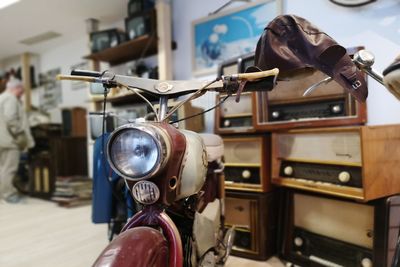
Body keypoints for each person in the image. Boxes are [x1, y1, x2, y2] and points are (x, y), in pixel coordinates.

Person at [0, 76, 34, 203]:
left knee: (2, 169)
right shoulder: (11, 99)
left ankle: (3, 194)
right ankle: (9, 195)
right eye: (22, 90)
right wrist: (20, 134)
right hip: (9, 141)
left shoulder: (1, 97)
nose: (22, 93)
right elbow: (11, 119)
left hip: (1, 140)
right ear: (17, 88)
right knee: (10, 169)